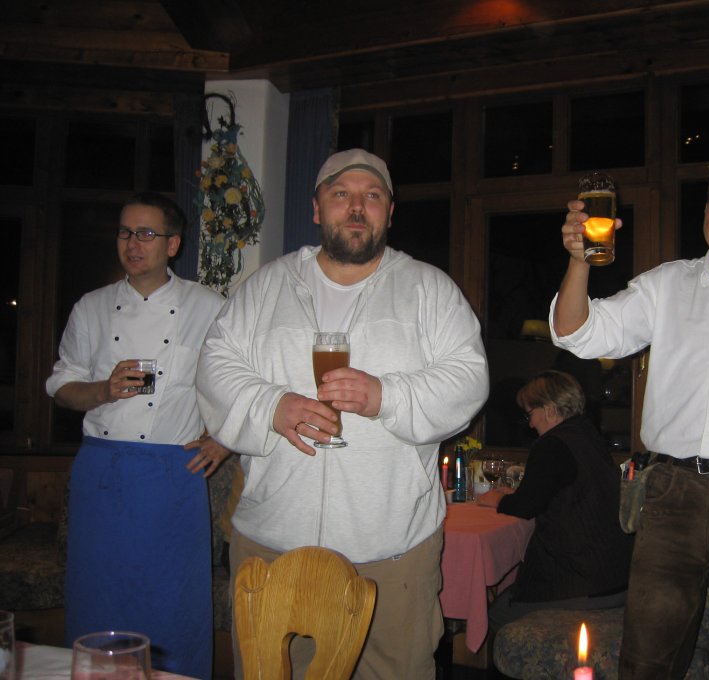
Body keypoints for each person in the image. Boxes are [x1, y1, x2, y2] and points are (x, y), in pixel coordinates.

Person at [195, 148, 489, 679]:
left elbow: (469, 380)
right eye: (341, 194)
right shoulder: (265, 286)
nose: (356, 207)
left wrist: (386, 396)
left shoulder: (429, 289)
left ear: (389, 212)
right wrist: (271, 405)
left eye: (371, 196)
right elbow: (214, 365)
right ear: (316, 208)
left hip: (392, 553)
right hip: (273, 543)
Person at [551, 149, 709, 680]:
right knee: (647, 661)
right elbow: (577, 333)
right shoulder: (667, 284)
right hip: (671, 495)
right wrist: (579, 259)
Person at [46, 192, 231, 679]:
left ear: (173, 244)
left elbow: (244, 381)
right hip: (102, 471)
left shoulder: (209, 307)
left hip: (173, 474)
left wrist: (224, 440)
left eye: (146, 233)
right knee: (98, 597)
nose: (133, 243)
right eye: (126, 232)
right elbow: (62, 387)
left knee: (173, 601)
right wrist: (103, 390)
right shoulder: (91, 307)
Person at [479, 370, 633, 632]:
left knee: (493, 617)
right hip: (616, 577)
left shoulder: (552, 445)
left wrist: (496, 499)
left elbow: (525, 506)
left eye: (530, 414)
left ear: (549, 410)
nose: (530, 424)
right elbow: (552, 493)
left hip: (581, 584)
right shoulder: (587, 436)